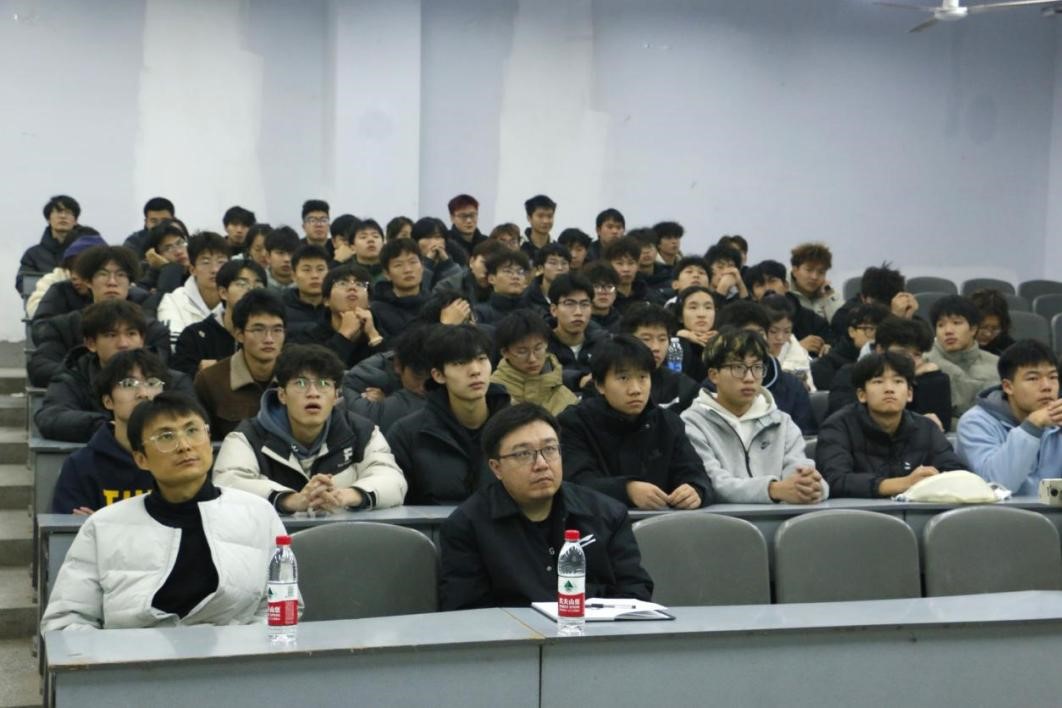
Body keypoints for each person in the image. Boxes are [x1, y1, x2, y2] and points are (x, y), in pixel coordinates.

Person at [40, 393, 291, 631]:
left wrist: (242, 649)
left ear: (209, 440)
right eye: (166, 437)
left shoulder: (259, 514)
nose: (184, 446)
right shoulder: (102, 526)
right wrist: (112, 656)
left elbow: (281, 606)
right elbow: (67, 620)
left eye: (192, 431)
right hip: (133, 659)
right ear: (141, 459)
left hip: (236, 657)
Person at [438, 402, 653, 610]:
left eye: (549, 449)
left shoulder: (607, 514)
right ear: (496, 468)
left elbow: (635, 593)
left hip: (595, 632)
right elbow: (467, 613)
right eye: (523, 454)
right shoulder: (467, 526)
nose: (541, 464)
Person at [214, 344, 406, 513]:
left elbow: (393, 479)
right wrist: (290, 500)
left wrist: (348, 495)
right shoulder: (247, 437)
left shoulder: (361, 431)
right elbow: (226, 483)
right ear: (282, 395)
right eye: (301, 383)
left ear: (336, 395)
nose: (313, 393)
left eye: (323, 384)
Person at [559, 335, 713, 509]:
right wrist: (626, 490)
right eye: (623, 378)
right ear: (600, 385)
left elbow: (694, 472)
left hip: (663, 522)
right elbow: (576, 482)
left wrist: (696, 489)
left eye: (642, 377)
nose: (635, 390)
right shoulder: (574, 423)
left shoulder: (668, 423)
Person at [682, 328, 828, 503]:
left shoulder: (782, 422)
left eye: (757, 368)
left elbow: (801, 473)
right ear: (714, 375)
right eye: (738, 368)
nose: (750, 378)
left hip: (784, 516)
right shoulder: (692, 422)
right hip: (720, 518)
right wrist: (772, 489)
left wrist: (812, 486)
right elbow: (711, 483)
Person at [35, 300, 193, 442]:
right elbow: (51, 417)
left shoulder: (172, 379)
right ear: (91, 343)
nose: (123, 344)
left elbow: (193, 419)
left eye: (131, 334)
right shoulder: (74, 377)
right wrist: (112, 427)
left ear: (142, 340)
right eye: (111, 335)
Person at [386, 324, 511, 504]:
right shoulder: (407, 434)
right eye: (460, 363)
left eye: (481, 359)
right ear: (438, 375)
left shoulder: (517, 427)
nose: (475, 370)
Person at [816, 351, 965, 498]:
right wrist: (903, 483)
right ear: (862, 395)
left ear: (909, 394)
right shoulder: (837, 426)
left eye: (898, 381)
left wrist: (935, 479)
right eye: (878, 381)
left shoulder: (927, 428)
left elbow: (956, 472)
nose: (889, 389)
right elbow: (834, 479)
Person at [51, 350, 168, 514]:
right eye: (128, 384)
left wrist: (103, 523)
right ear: (108, 401)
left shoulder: (177, 455)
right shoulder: (81, 465)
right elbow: (72, 526)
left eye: (152, 383)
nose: (143, 393)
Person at [29, 257, 170, 388]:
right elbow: (40, 368)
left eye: (121, 275)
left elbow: (161, 370)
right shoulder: (64, 326)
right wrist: (94, 378)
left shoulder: (152, 328)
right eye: (103, 274)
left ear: (130, 283)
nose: (112, 282)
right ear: (88, 281)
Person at [957, 339, 1062, 496]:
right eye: (1033, 378)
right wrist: (1032, 427)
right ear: (1008, 386)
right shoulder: (974, 423)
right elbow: (999, 486)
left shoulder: (1057, 420)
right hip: (997, 512)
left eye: (1053, 377)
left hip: (1052, 511)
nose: (1047, 386)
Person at [826, 315, 954, 430]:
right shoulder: (850, 374)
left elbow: (940, 427)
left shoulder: (930, 378)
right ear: (880, 350)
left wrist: (928, 380)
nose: (910, 361)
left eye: (917, 355)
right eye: (902, 353)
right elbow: (845, 419)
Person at [194, 289, 286, 440]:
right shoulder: (210, 380)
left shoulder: (296, 376)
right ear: (239, 335)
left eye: (277, 330)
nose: (269, 339)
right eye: (258, 330)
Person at [715, 301, 816, 434]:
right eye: (748, 334)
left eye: (761, 333)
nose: (757, 341)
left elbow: (806, 436)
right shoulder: (713, 386)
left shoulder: (792, 386)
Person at [171, 259, 266, 376]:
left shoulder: (272, 334)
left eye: (258, 285)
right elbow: (179, 379)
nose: (251, 290)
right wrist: (199, 371)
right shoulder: (194, 336)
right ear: (223, 292)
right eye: (242, 284)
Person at [288, 264, 383, 368]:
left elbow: (391, 371)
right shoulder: (308, 339)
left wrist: (373, 335)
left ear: (369, 301)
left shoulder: (385, 333)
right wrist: (344, 335)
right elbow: (317, 371)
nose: (352, 288)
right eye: (342, 283)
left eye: (360, 284)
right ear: (326, 301)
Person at [343, 325, 432, 434]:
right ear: (398, 366)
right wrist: (387, 404)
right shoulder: (362, 380)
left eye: (434, 377)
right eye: (417, 376)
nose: (425, 386)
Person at [925, 294, 1000, 421]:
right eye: (941, 325)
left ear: (973, 329)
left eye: (956, 323)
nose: (948, 331)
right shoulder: (924, 361)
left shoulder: (996, 365)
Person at [491, 309, 578, 416]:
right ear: (505, 352)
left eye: (538, 348)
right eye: (522, 352)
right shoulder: (493, 392)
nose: (532, 359)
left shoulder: (566, 398)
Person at [619, 303, 699, 412]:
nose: (656, 347)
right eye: (646, 339)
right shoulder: (610, 380)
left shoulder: (682, 386)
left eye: (662, 339)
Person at [157, 233, 231, 350]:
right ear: (192, 269)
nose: (215, 269)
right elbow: (174, 346)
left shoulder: (238, 299)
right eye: (206, 262)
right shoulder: (173, 301)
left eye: (221, 262)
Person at [745, 259, 833, 356]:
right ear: (752, 295)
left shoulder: (813, 321)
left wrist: (827, 349)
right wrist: (797, 348)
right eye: (760, 285)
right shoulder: (746, 324)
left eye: (772, 281)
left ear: (786, 286)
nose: (768, 288)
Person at [547, 274, 608, 392]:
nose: (578, 312)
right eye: (569, 304)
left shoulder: (604, 344)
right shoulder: (542, 346)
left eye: (585, 304)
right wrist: (578, 379)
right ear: (554, 310)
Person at [811, 302, 889, 391]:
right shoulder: (826, 366)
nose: (877, 336)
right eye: (870, 329)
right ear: (852, 331)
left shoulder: (892, 360)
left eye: (882, 330)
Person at [28, 231, 106, 320]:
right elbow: (39, 315)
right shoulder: (59, 288)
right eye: (71, 269)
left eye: (80, 269)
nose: (74, 276)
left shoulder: (114, 286)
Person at [831, 263, 917, 342]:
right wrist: (895, 319)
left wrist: (907, 320)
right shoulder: (844, 316)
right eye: (880, 303)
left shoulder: (902, 311)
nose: (883, 310)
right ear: (864, 298)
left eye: (888, 304)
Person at [19, 195, 81, 293]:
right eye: (58, 212)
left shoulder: (87, 252)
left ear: (75, 221)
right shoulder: (33, 254)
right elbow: (23, 283)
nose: (63, 216)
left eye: (68, 212)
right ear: (48, 219)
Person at [371, 238, 429, 339]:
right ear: (386, 274)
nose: (408, 270)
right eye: (398, 265)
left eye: (413, 262)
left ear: (422, 267)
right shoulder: (376, 311)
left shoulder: (435, 303)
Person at [762, 295, 815, 391]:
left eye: (787, 331)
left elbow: (810, 391)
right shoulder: (752, 350)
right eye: (773, 331)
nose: (780, 338)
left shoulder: (797, 351)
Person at [433, 238, 507, 306]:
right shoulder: (449, 286)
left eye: (494, 264)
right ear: (472, 262)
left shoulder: (507, 288)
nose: (488, 268)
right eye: (484, 263)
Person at [672, 285, 718, 383]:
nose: (701, 314)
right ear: (680, 316)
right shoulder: (671, 343)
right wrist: (681, 338)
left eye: (708, 307)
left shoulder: (724, 342)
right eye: (693, 307)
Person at [472, 248, 531, 325]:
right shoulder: (480, 313)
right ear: (491, 279)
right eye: (508, 271)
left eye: (520, 272)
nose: (515, 276)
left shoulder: (535, 312)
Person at [789, 242, 844, 324]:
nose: (814, 277)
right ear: (795, 271)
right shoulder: (783, 293)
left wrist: (828, 297)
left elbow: (844, 324)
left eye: (821, 272)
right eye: (809, 270)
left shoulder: (828, 293)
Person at [282, 244, 330, 333]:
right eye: (307, 270)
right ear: (293, 275)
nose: (315, 276)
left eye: (320, 269)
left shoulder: (337, 306)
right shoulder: (280, 307)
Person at [605, 236, 656, 313]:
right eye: (619, 263)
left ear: (638, 265)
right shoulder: (604, 299)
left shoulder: (647, 296)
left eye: (631, 263)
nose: (626, 269)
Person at [411, 216, 464, 285]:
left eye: (438, 237)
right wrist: (428, 262)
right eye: (428, 237)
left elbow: (459, 285)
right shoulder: (410, 265)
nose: (434, 242)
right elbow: (419, 288)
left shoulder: (458, 260)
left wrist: (448, 263)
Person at [522, 243, 571, 317]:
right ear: (541, 268)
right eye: (553, 263)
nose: (560, 268)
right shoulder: (527, 296)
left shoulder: (575, 293)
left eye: (564, 263)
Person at [969, 288, 1016, 356]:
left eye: (995, 328)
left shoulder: (1006, 344)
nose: (988, 334)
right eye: (983, 327)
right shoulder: (958, 344)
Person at [446, 193, 487, 261]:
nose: (469, 220)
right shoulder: (445, 242)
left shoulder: (487, 243)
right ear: (452, 218)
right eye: (463, 216)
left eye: (472, 215)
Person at [585, 261, 622, 331]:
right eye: (596, 286)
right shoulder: (580, 323)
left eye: (609, 287)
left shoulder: (624, 324)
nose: (603, 292)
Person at [520, 194, 556, 261]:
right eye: (540, 216)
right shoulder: (518, 246)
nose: (545, 221)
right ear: (529, 218)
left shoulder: (557, 248)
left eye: (549, 216)